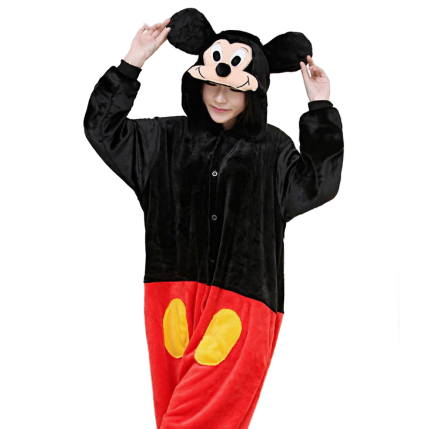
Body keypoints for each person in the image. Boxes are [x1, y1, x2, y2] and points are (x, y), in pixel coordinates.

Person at [83, 10, 344, 429]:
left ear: (254, 91)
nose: (220, 97)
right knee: (172, 414)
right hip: (170, 298)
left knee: (199, 421)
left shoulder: (273, 149)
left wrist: (320, 104)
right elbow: (102, 130)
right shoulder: (164, 138)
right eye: (212, 84)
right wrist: (134, 60)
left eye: (233, 89)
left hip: (244, 303)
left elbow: (319, 184)